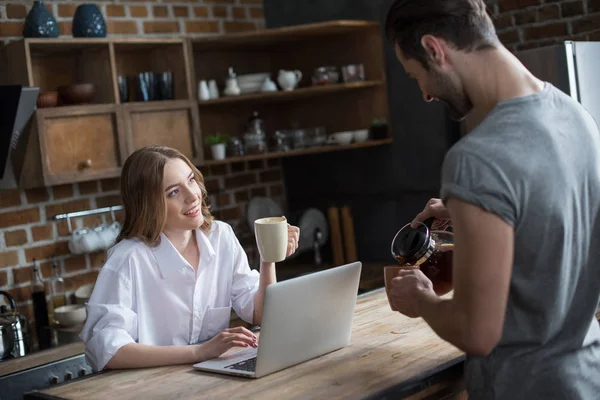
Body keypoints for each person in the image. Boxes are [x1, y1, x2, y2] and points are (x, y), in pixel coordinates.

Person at [384, 0, 600, 398]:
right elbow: (558, 222)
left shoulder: (477, 157)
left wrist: (420, 299)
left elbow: (477, 331)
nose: (426, 95)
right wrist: (471, 214)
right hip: (585, 378)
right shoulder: (576, 116)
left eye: (417, 76)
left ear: (435, 50)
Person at [79, 146, 300, 371]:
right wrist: (199, 352)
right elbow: (107, 351)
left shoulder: (220, 236)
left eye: (191, 180)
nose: (192, 195)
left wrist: (268, 256)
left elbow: (261, 314)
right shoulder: (127, 259)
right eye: (173, 192)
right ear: (148, 204)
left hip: (210, 382)